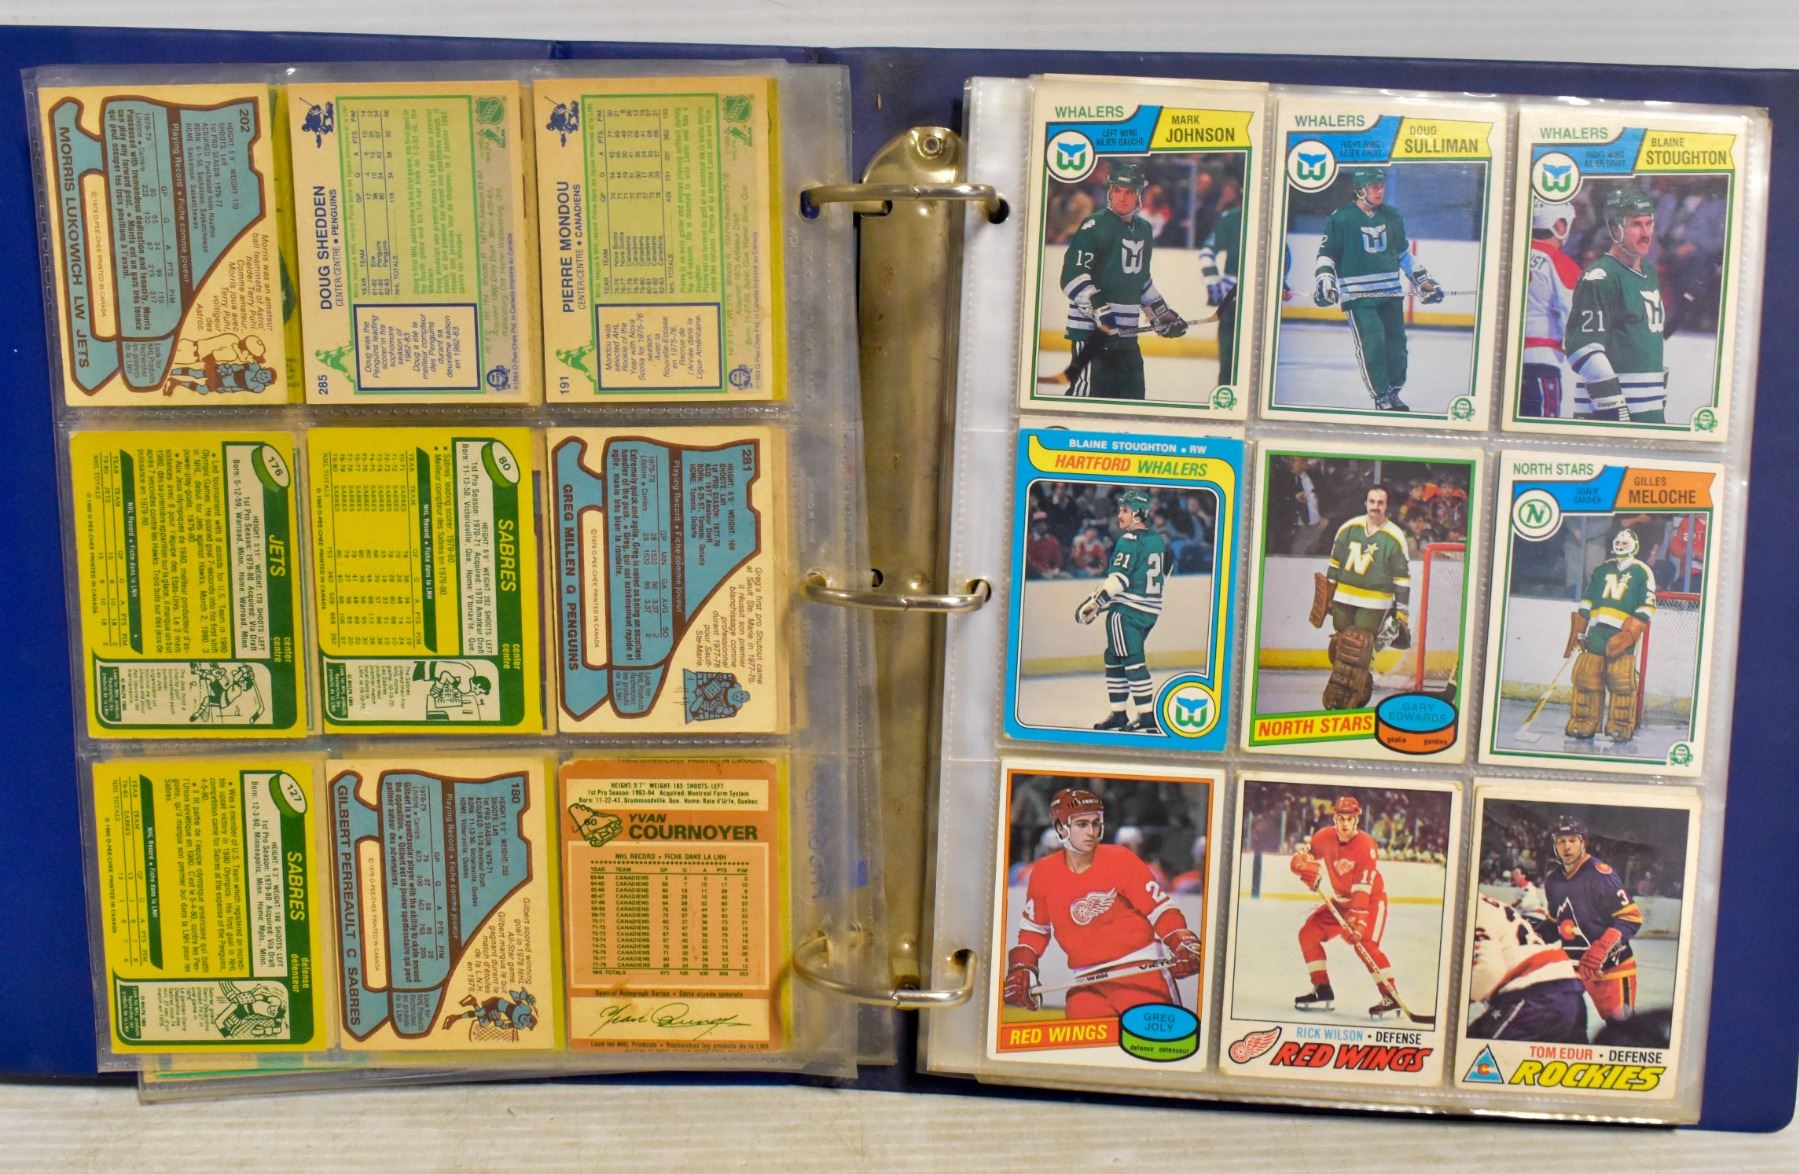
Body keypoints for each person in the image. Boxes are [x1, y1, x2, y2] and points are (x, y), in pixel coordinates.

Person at [1003, 788, 1203, 1018]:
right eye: (1082, 824)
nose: (1091, 832)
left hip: (1141, 972)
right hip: (1085, 983)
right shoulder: (1043, 872)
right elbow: (1034, 929)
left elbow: (1160, 909)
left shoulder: (1120, 859)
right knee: (1081, 1038)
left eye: (1095, 823)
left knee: (1156, 1041)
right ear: (1061, 828)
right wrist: (1023, 966)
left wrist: (1181, 941)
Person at [1312, 167, 1445, 411]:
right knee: (1372, 345)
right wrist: (1326, 279)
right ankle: (1381, 395)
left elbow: (1403, 254)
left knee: (1397, 347)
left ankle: (1394, 392)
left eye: (1382, 186)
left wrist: (1424, 281)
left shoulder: (1392, 215)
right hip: (1359, 298)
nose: (1380, 191)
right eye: (1374, 186)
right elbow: (1326, 255)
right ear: (1360, 190)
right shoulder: (1341, 218)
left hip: (1390, 294)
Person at [1058, 161, 1189, 399]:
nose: (1122, 197)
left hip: (1127, 338)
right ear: (1110, 191)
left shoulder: (1144, 229)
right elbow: (1072, 276)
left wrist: (1162, 313)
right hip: (1092, 336)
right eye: (1117, 190)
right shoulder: (1095, 225)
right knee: (1086, 401)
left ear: (1139, 195)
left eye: (1129, 192)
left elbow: (1141, 280)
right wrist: (1099, 309)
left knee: (1132, 401)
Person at [1289, 796, 1414, 1019]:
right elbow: (1304, 856)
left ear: (1357, 819)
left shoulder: (1366, 846)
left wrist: (1358, 921)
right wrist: (1302, 867)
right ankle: (1322, 989)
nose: (1345, 823)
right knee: (1308, 933)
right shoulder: (1324, 837)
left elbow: (1362, 889)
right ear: (1334, 818)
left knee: (1364, 944)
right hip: (1342, 902)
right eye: (1341, 818)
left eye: (1349, 818)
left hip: (1370, 901)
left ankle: (1391, 996)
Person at [1565, 187, 1667, 422]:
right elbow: (1583, 348)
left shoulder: (1648, 272)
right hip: (1613, 413)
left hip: (1649, 408)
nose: (1646, 233)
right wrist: (1613, 406)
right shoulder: (1600, 278)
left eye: (1649, 223)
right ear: (1614, 229)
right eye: (1636, 225)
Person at [1307, 484, 1411, 710]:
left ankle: (1355, 691)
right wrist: (1328, 595)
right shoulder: (1348, 528)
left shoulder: (1395, 537)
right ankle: (1348, 688)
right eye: (1372, 501)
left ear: (1386, 506)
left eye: (1380, 502)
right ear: (1366, 503)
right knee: (1341, 645)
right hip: (1343, 598)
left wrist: (1402, 612)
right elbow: (1334, 565)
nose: (1375, 506)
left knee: (1358, 645)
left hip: (1375, 602)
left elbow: (1402, 579)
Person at [1077, 490, 1168, 733]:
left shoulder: (1128, 540)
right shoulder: (1157, 539)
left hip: (1127, 612)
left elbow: (1119, 579)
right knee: (1114, 656)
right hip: (1149, 610)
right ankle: (1119, 714)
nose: (1119, 515)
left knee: (1131, 659)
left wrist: (1096, 603)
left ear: (1138, 513)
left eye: (1125, 510)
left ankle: (1146, 715)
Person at [1543, 815, 1644, 1024]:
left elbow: (1631, 917)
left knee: (1621, 1031)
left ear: (1583, 842)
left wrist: (1601, 949)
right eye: (1561, 841)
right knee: (1566, 1027)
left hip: (1612, 968)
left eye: (1572, 840)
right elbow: (1555, 925)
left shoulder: (1600, 874)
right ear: (1554, 845)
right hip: (1575, 970)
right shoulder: (1553, 880)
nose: (1567, 847)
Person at [1563, 527, 1657, 742]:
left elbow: (1648, 605)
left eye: (1625, 543)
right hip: (1597, 631)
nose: (1621, 546)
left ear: (1634, 546)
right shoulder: (1602, 569)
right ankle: (1585, 722)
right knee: (1587, 677)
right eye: (1619, 543)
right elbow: (1587, 601)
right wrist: (1579, 631)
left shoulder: (1642, 571)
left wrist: (1630, 633)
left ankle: (1620, 725)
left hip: (1621, 633)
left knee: (1621, 679)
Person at [1466, 894, 1589, 1043]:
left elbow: (1488, 972)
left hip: (1535, 993)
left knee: (1480, 1047)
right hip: (1567, 988)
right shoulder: (1491, 904)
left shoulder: (1474, 909)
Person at [1521, 200, 1581, 418]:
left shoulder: (1511, 255)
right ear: (1559, 225)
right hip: (1541, 365)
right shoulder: (1560, 262)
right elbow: (1576, 318)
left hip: (1503, 365)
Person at [1197, 193, 1242, 384]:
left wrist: (1213, 284)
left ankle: (1227, 390)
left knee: (1228, 364)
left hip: (1232, 299)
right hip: (1241, 302)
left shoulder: (1232, 217)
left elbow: (1206, 253)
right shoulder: (1232, 218)